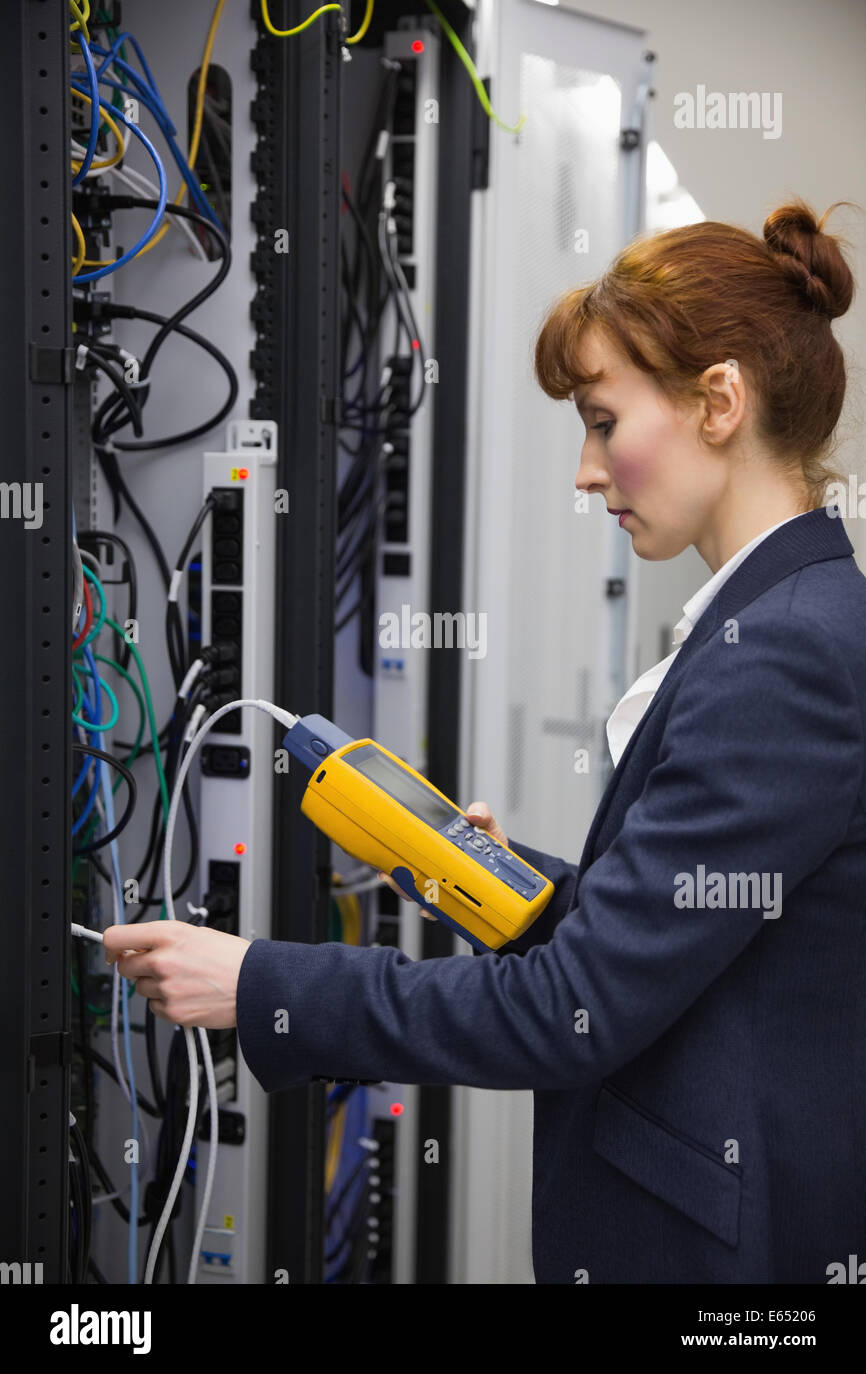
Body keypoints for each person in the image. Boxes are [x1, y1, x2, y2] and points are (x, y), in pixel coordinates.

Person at [105, 197, 866, 1284]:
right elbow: (695, 936)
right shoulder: (792, 620)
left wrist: (260, 982)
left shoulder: (780, 659)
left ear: (718, 400)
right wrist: (494, 880)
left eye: (602, 420)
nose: (583, 471)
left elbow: (573, 1010)